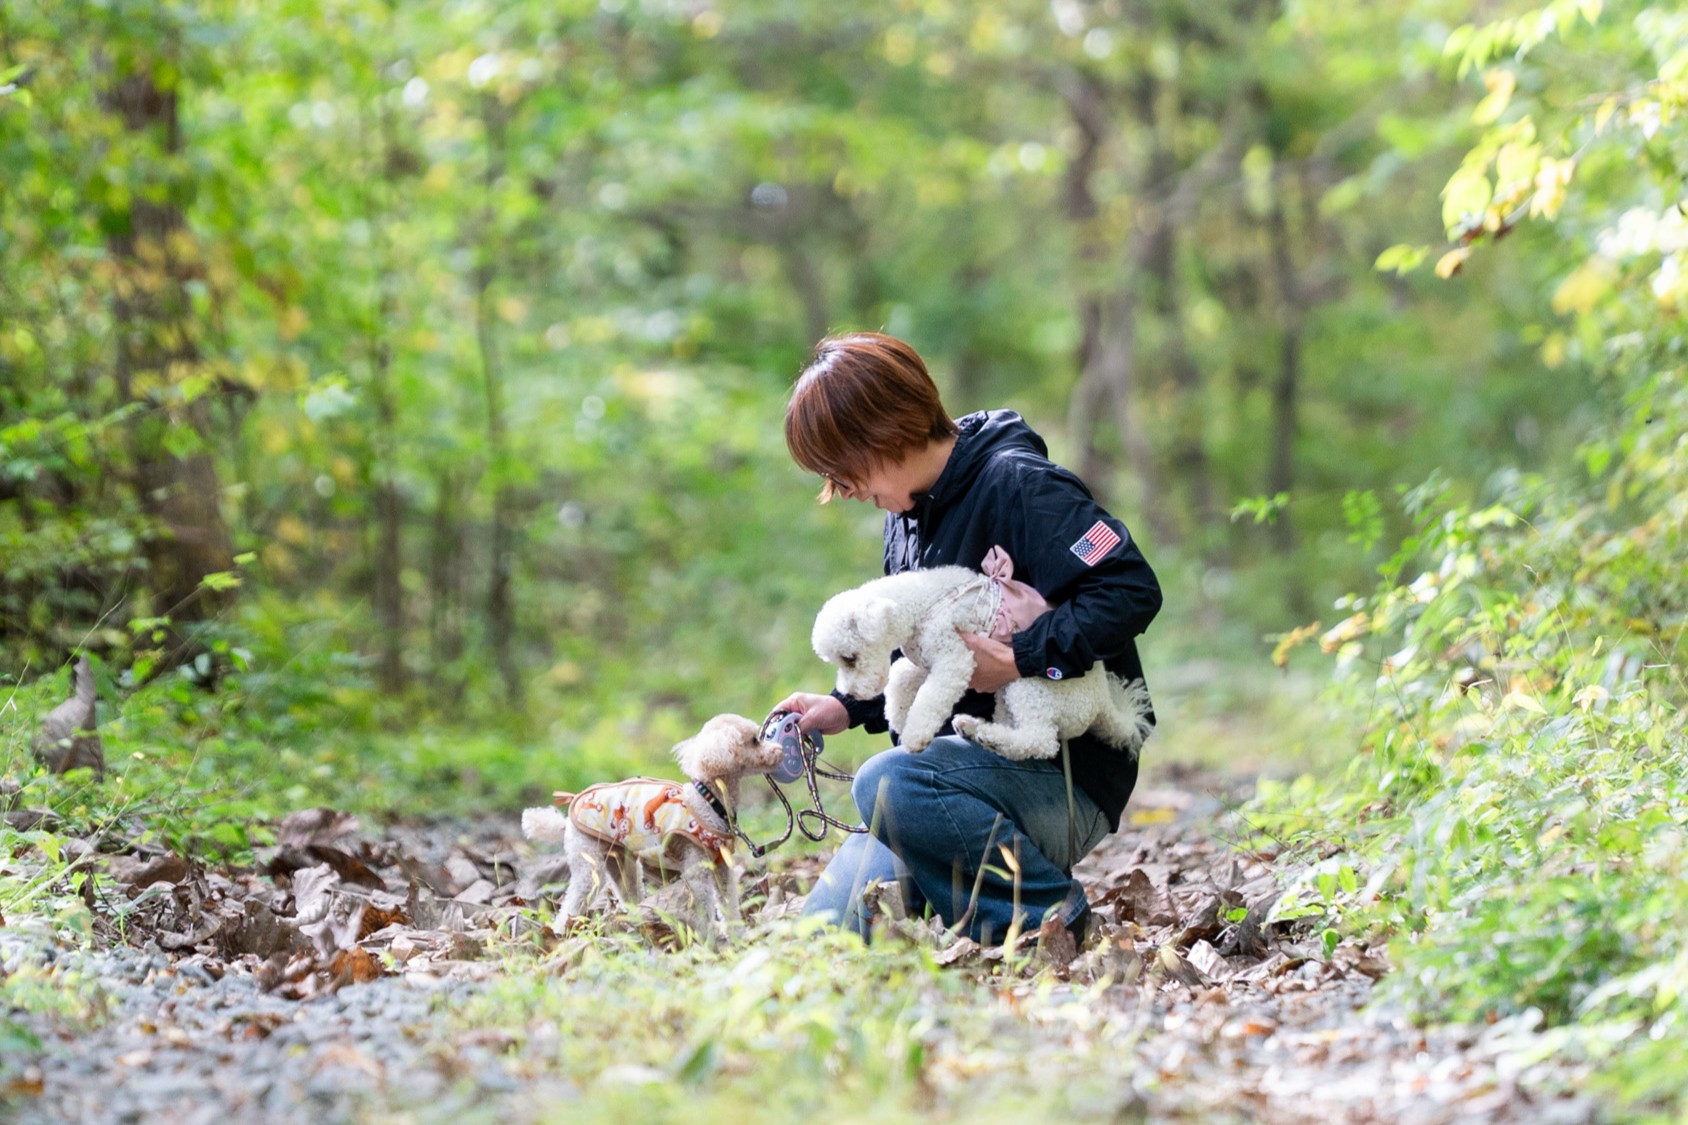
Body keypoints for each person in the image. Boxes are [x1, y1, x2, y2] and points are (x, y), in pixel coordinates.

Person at [771, 332, 1161, 945]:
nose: (840, 489)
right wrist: (844, 707)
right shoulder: (904, 523)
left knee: (888, 782)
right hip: (956, 779)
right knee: (824, 938)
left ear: (885, 429)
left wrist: (1024, 659)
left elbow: (1130, 588)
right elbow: (920, 658)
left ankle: (1046, 917)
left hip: (1060, 773)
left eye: (841, 468)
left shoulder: (1022, 486)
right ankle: (963, 886)